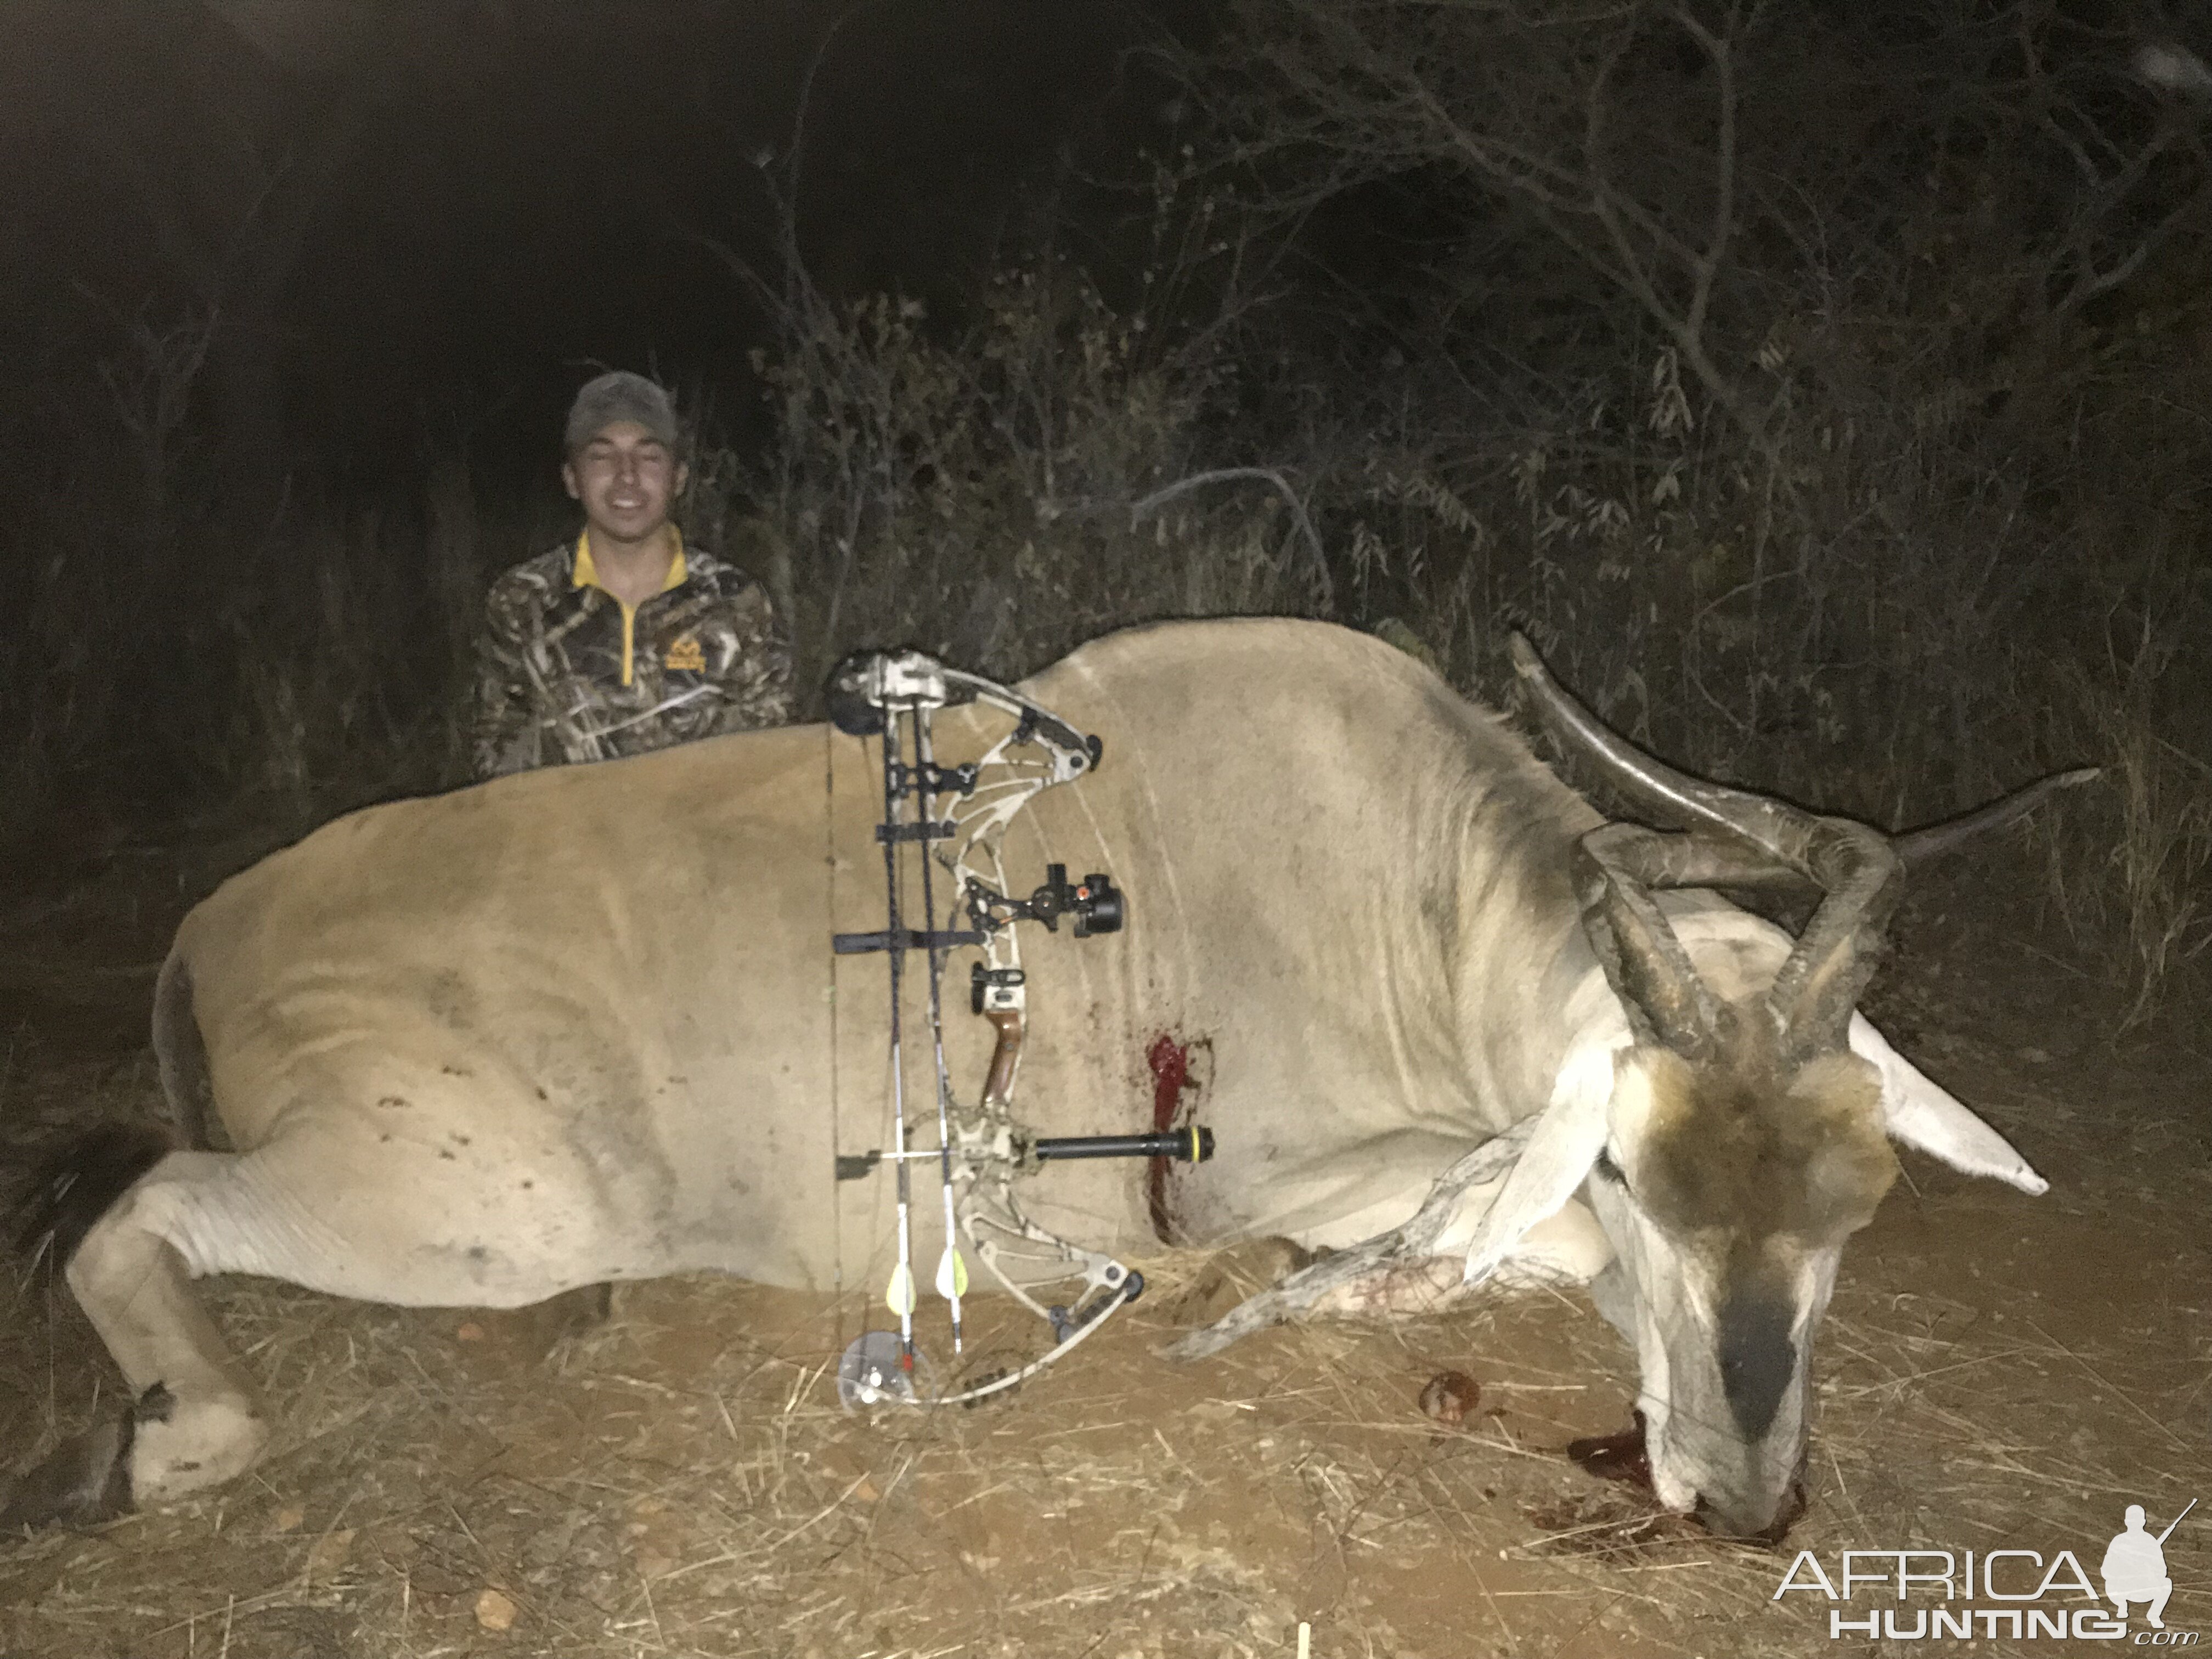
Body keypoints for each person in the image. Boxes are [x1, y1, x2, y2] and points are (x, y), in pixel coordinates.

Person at [470, 371, 794, 778]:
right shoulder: (523, 601)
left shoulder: (736, 601)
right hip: (567, 839)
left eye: (649, 456)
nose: (627, 476)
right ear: (572, 479)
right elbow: (495, 765)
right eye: (602, 456)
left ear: (678, 478)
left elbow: (774, 765)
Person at [2101, 1504, 2174, 1629]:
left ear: (2143, 1522)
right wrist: (2122, 1572)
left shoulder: (2150, 1541)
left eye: (2137, 1520)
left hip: (2145, 1588)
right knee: (2109, 1583)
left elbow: (2162, 1570)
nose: (2134, 1523)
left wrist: (2147, 1569)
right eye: (2131, 1520)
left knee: (2167, 1584)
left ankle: (2154, 1615)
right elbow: (2106, 1569)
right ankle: (2122, 1606)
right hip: (2123, 1589)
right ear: (2126, 1522)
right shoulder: (2119, 1541)